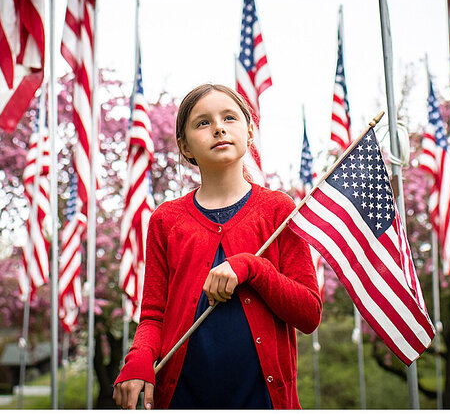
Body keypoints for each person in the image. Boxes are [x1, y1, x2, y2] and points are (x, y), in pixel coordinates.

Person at [113, 83, 322, 410]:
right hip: (183, 398)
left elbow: (309, 314)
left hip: (265, 401)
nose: (219, 128)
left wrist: (252, 267)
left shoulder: (279, 210)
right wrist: (138, 359)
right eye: (203, 122)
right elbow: (154, 316)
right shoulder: (166, 220)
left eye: (229, 117)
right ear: (185, 146)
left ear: (249, 132)